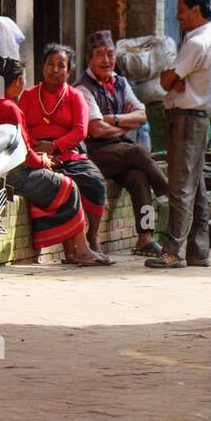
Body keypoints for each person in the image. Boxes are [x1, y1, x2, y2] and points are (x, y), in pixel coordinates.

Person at [0, 58, 101, 266]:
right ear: (16, 81)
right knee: (69, 187)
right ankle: (82, 251)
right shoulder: (11, 108)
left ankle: (74, 251)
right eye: (23, 79)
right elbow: (26, 156)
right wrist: (44, 161)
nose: (24, 84)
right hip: (15, 175)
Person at [74, 31, 169, 259]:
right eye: (99, 55)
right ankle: (167, 192)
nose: (106, 60)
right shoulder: (83, 88)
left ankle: (145, 237)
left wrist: (115, 120)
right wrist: (126, 125)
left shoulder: (120, 82)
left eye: (110, 54)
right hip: (94, 152)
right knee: (137, 152)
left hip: (119, 150)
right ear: (89, 59)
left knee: (139, 177)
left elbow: (143, 115)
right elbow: (95, 129)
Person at [146, 0, 211, 272]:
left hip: (187, 119)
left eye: (181, 11)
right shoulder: (207, 38)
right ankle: (198, 251)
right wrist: (175, 78)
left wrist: (171, 77)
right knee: (195, 186)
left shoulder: (196, 43)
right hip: (196, 118)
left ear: (195, 10)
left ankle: (172, 251)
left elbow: (166, 81)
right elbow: (174, 79)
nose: (178, 17)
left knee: (180, 187)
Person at [19, 44, 114, 265]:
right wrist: (36, 147)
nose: (54, 69)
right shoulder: (28, 96)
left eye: (60, 65)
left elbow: (81, 130)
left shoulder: (75, 96)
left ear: (68, 71)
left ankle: (92, 237)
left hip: (68, 152)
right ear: (42, 68)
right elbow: (20, 127)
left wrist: (56, 146)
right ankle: (71, 249)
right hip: (36, 152)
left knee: (95, 182)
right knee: (62, 186)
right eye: (50, 64)